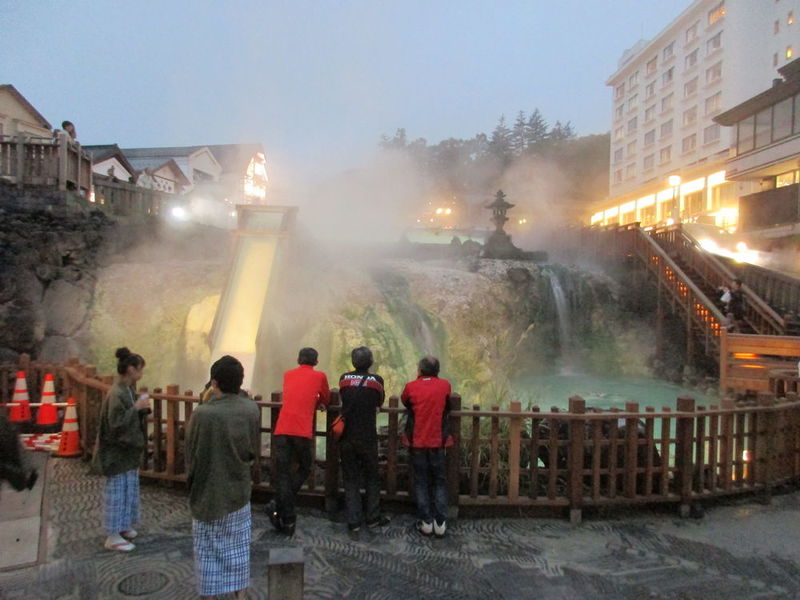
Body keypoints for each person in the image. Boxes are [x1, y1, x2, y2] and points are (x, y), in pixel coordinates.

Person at [186, 355, 260, 600]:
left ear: (214, 383)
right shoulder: (251, 409)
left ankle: (210, 596)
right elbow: (252, 450)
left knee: (207, 551)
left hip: (208, 493)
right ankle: (241, 595)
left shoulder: (203, 415)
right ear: (240, 382)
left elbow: (192, 455)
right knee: (238, 548)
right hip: (238, 491)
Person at [267, 347, 330, 535]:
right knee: (305, 467)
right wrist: (319, 401)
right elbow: (325, 398)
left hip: (282, 429)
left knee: (284, 473)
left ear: (298, 360)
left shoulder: (288, 375)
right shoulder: (319, 377)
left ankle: (285, 514)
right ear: (316, 362)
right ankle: (280, 507)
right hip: (301, 431)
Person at [95, 347, 150, 552]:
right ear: (130, 369)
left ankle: (123, 526)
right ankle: (112, 535)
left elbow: (128, 415)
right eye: (139, 369)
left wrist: (140, 409)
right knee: (117, 492)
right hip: (117, 453)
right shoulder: (117, 392)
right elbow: (115, 424)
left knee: (128, 490)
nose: (141, 373)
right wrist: (135, 409)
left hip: (127, 452)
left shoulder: (126, 389)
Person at [338, 346, 390, 532]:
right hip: (367, 436)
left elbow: (343, 398)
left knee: (350, 478)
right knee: (372, 477)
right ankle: (373, 518)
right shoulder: (376, 381)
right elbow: (379, 402)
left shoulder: (344, 379)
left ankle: (353, 521)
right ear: (371, 362)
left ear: (353, 362)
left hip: (347, 436)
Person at [401, 356, 452, 538]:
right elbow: (448, 404)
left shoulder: (411, 386)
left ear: (420, 370)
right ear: (437, 370)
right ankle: (441, 523)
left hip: (417, 442)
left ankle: (426, 522)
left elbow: (405, 401)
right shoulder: (445, 385)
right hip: (438, 442)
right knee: (439, 481)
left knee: (421, 481)